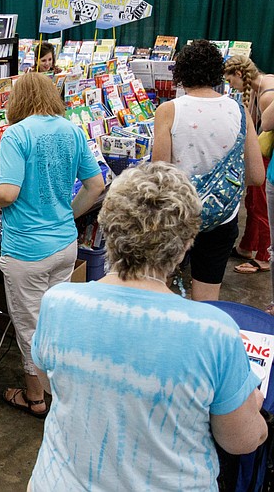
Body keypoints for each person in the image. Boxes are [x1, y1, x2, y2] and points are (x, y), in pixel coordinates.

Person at [29, 162, 268, 491]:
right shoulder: (213, 331)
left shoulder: (58, 302)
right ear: (186, 242)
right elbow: (242, 440)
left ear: (107, 226)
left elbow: (51, 384)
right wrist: (251, 408)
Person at [0, 72, 104, 418]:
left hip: (27, 250)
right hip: (64, 243)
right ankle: (60, 387)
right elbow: (95, 185)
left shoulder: (16, 135)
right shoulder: (72, 130)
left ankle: (36, 398)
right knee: (55, 323)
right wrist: (67, 214)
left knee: (30, 329)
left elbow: (7, 192)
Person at [152, 39, 264, 301]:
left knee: (160, 291)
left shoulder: (168, 111)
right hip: (222, 218)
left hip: (177, 216)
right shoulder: (239, 110)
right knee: (207, 301)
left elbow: (160, 176)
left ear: (179, 73)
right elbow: (257, 175)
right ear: (217, 73)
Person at [224, 56, 274, 274]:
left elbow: (264, 130)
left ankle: (263, 256)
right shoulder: (261, 83)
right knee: (253, 200)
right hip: (265, 153)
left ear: (239, 75)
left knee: (260, 203)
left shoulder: (265, 94)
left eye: (230, 81)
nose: (230, 86)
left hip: (267, 155)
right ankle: (247, 246)